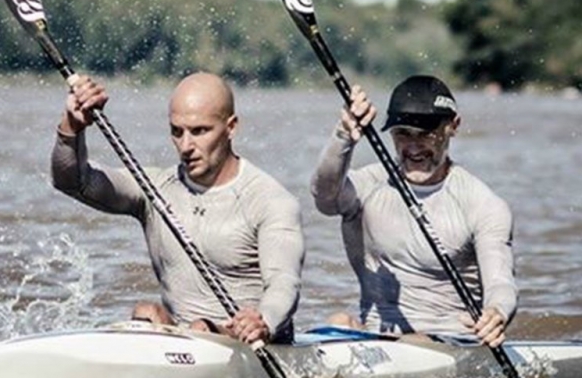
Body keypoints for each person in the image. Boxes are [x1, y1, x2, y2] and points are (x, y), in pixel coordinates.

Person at [51, 71, 305, 344]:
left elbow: (284, 283)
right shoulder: (154, 190)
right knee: (146, 313)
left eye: (199, 131)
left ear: (231, 127)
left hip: (254, 344)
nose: (186, 146)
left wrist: (264, 321)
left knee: (200, 327)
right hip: (183, 341)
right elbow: (73, 182)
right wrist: (71, 128)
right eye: (177, 132)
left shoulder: (270, 200)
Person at [312, 75, 516, 347]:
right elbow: (324, 198)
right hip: (376, 336)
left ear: (453, 126)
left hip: (450, 341)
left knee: (412, 342)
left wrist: (497, 313)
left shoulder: (483, 205)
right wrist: (343, 135)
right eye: (403, 134)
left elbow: (501, 283)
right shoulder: (371, 185)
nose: (414, 146)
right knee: (338, 320)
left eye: (427, 134)